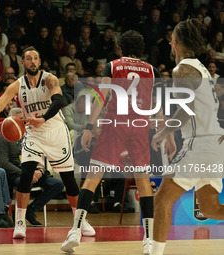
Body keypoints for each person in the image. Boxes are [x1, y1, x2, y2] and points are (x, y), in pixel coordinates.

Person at [61, 30, 164, 254]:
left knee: (93, 177)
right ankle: (148, 240)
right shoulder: (152, 70)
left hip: (115, 125)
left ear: (121, 47)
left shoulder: (113, 66)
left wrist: (89, 127)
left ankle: (75, 231)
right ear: (141, 48)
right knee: (144, 181)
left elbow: (102, 95)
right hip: (139, 127)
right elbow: (158, 102)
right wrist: (159, 123)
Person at [0, 46, 95, 239]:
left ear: (39, 62)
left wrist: (43, 118)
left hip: (55, 130)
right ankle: (20, 223)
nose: (32, 61)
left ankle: (80, 220)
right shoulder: (17, 85)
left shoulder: (50, 79)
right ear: (22, 62)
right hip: (33, 133)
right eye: (28, 58)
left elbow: (59, 100)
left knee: (69, 181)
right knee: (26, 176)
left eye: (35, 58)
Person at [150, 19, 224, 255]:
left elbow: (188, 107)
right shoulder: (201, 67)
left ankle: (154, 253)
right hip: (215, 144)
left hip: (200, 144)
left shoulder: (181, 69)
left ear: (174, 42)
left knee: (161, 200)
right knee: (211, 208)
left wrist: (165, 131)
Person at [0, 108, 64, 226]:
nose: (24, 121)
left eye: (23, 118)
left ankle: (31, 209)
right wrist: (26, 174)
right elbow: (4, 163)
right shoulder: (3, 137)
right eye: (20, 119)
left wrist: (41, 170)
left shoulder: (31, 132)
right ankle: (20, 217)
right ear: (11, 120)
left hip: (34, 171)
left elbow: (40, 155)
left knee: (57, 184)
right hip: (16, 173)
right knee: (26, 183)